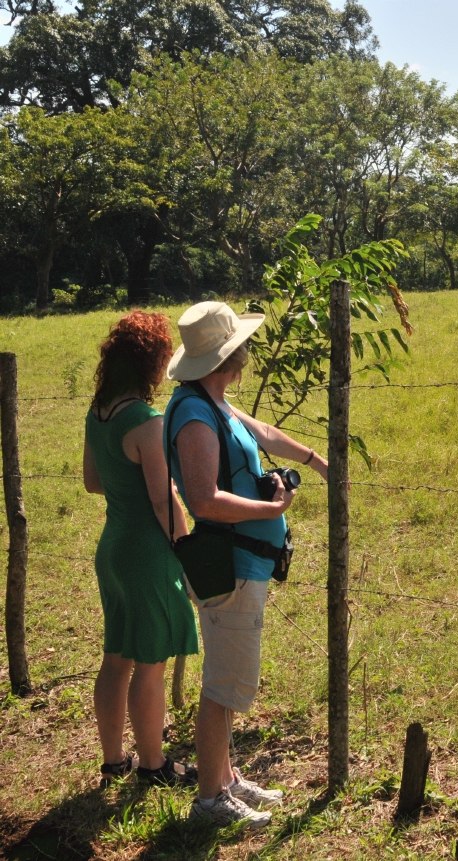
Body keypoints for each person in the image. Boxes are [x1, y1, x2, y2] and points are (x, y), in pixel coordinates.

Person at [163, 301, 329, 828]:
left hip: (243, 565)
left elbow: (263, 433)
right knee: (223, 686)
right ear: (229, 354)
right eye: (241, 344)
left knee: (228, 678)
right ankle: (210, 801)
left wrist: (317, 460)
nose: (248, 351)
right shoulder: (194, 415)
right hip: (230, 567)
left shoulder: (213, 402)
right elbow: (204, 499)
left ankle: (227, 778)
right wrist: (274, 508)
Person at [83, 311, 199, 789]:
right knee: (149, 663)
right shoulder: (147, 421)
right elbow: (162, 499)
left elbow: (93, 482)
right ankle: (154, 764)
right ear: (151, 363)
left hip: (112, 548)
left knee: (117, 657)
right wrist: (190, 550)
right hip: (147, 554)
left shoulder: (99, 411)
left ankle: (115, 760)